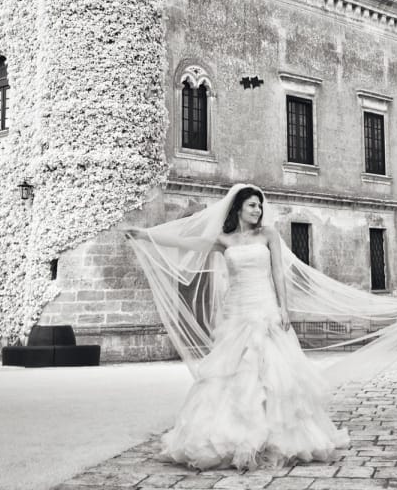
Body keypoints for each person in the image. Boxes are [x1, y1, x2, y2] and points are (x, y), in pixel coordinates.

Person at [122, 185, 349, 471]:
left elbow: (278, 271)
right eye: (252, 205)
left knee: (272, 371)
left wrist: (283, 308)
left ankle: (277, 438)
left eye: (259, 206)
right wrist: (145, 235)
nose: (257, 210)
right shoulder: (224, 239)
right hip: (236, 309)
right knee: (231, 371)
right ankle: (230, 435)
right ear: (238, 208)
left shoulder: (268, 235)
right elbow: (187, 242)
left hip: (264, 306)